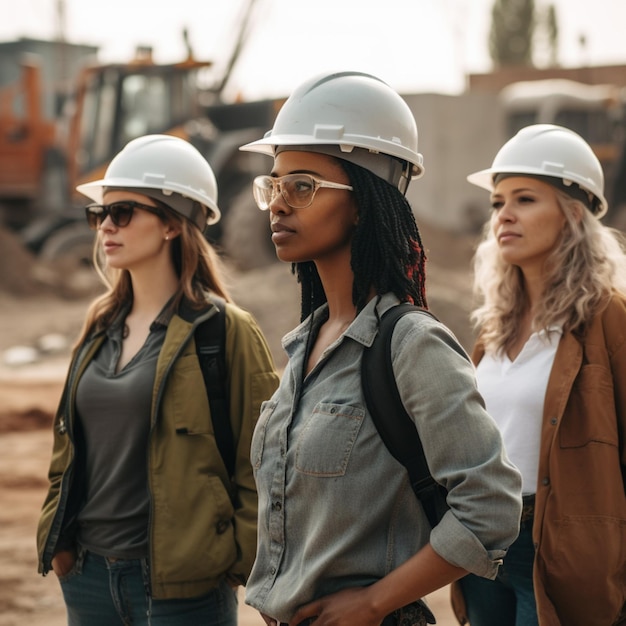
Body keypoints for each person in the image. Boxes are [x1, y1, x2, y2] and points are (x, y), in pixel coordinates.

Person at [238, 70, 523, 626]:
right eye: (272, 186)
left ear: (366, 202)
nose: (277, 204)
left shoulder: (411, 345)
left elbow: (490, 506)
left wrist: (374, 602)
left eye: (302, 186)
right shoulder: (307, 345)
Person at [36, 134, 280, 626]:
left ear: (173, 223)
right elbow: (68, 447)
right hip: (87, 580)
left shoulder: (225, 331)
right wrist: (58, 541)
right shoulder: (99, 325)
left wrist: (230, 559)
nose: (105, 225)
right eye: (99, 214)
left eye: (122, 212)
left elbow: (265, 461)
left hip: (182, 592)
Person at [456, 124, 626, 626]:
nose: (503, 215)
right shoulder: (491, 328)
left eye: (525, 199)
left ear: (574, 214)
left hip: (562, 553)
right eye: (497, 202)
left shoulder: (609, 318)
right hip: (483, 548)